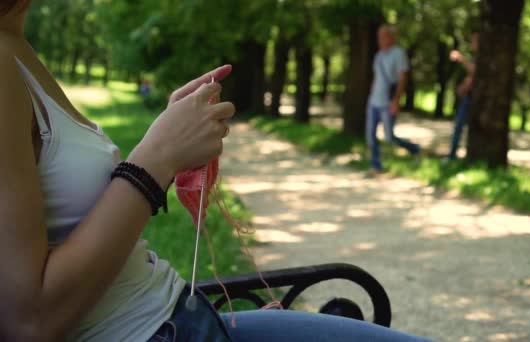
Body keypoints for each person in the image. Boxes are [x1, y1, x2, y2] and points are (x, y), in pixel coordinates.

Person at [0, 2, 434, 341]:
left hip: (180, 317)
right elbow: (29, 321)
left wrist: (167, 140)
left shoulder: (14, 40)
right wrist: (156, 157)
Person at [366, 24, 421, 175]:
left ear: (391, 37)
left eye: (383, 36)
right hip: (374, 101)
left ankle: (414, 149)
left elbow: (402, 78)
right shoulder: (378, 56)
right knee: (370, 136)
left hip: (387, 102)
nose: (380, 40)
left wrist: (396, 100)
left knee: (389, 136)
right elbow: (376, 78)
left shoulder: (398, 54)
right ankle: (376, 166)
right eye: (379, 37)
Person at [447, 32, 479, 161]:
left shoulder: (482, 58)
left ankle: (453, 156)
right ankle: (452, 155)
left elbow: (474, 72)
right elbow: (471, 77)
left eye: (474, 41)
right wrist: (464, 86)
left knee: (461, 126)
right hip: (468, 97)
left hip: (473, 99)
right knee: (458, 126)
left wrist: (461, 58)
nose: (472, 44)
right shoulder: (475, 58)